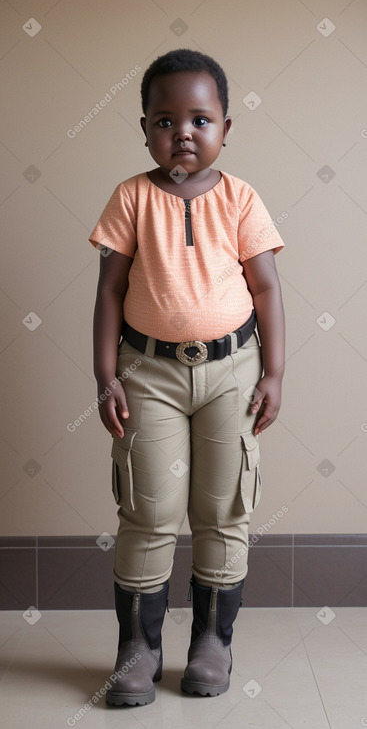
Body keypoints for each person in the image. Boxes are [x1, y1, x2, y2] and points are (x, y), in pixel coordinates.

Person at [89, 48, 285, 707]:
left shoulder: (240, 199)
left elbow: (266, 288)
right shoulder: (131, 197)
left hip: (234, 372)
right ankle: (137, 653)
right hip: (146, 373)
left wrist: (275, 373)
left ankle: (211, 642)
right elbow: (109, 292)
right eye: (165, 119)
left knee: (223, 506)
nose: (183, 132)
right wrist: (106, 376)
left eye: (200, 119)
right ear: (144, 128)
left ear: (225, 128)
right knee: (147, 510)